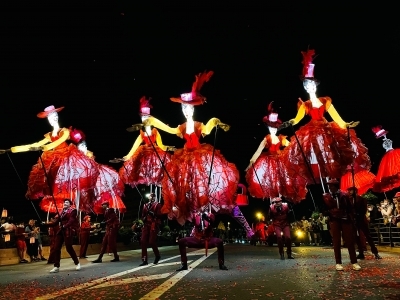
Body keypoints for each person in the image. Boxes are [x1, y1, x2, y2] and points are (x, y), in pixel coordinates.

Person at [143, 71, 238, 225]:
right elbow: (171, 130)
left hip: (199, 156)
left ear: (193, 110)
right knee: (184, 186)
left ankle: (204, 214)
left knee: (204, 183)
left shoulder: (198, 125)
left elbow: (208, 127)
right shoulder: (182, 126)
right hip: (185, 158)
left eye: (189, 108)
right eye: (184, 109)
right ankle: (191, 214)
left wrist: (216, 122)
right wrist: (153, 121)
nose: (186, 111)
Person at [279, 49, 370, 184]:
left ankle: (334, 179)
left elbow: (336, 117)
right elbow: (297, 119)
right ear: (305, 88)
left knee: (333, 150)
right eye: (307, 86)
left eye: (312, 84)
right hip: (312, 131)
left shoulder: (324, 101)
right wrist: (288, 123)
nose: (310, 87)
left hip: (327, 128)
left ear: (315, 85)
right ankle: (326, 181)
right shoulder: (305, 105)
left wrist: (346, 124)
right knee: (316, 153)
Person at [8, 105, 99, 209]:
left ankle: (78, 206)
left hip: (67, 156)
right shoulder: (50, 134)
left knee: (73, 180)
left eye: (55, 115)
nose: (54, 118)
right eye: (51, 117)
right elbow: (35, 144)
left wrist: (44, 147)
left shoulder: (64, 131)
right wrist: (12, 149)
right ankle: (66, 205)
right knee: (48, 176)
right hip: (55, 158)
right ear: (48, 120)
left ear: (58, 117)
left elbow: (59, 141)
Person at [245, 101, 307, 203]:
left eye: (274, 128)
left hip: (280, 160)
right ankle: (273, 200)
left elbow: (291, 145)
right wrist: (252, 161)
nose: (273, 130)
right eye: (271, 128)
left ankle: (280, 199)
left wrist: (299, 148)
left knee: (283, 179)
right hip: (268, 161)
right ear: (268, 128)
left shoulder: (281, 138)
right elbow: (259, 150)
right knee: (270, 179)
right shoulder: (267, 139)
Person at [68, 127, 126, 214]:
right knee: (78, 196)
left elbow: (93, 165)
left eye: (85, 146)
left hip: (92, 176)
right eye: (82, 146)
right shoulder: (76, 157)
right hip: (81, 178)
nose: (84, 148)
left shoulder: (88, 154)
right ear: (78, 147)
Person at [120, 96, 174, 187]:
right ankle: (150, 194)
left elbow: (161, 145)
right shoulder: (142, 134)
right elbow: (135, 146)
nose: (144, 119)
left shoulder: (155, 131)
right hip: (144, 153)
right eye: (143, 117)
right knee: (144, 171)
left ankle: (156, 191)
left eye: (146, 117)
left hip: (155, 153)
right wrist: (127, 156)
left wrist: (167, 148)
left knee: (158, 171)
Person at [323, 179, 360, 271]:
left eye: (331, 186)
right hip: (334, 220)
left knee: (349, 241)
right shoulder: (326, 196)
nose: (329, 188)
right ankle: (338, 263)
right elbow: (323, 209)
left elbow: (350, 208)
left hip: (345, 219)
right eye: (329, 186)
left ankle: (354, 262)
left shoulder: (345, 195)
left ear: (336, 186)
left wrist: (351, 218)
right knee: (336, 241)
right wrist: (327, 212)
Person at [44, 199, 80, 273]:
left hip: (68, 230)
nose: (65, 203)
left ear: (70, 204)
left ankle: (77, 263)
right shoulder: (61, 212)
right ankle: (56, 266)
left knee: (69, 248)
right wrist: (45, 224)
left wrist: (65, 226)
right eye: (64, 202)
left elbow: (71, 220)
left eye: (67, 202)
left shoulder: (73, 211)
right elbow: (55, 223)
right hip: (61, 230)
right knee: (56, 248)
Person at [347, 187, 381, 259]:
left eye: (351, 190)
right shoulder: (349, 200)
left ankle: (375, 252)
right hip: (354, 220)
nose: (349, 192)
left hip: (361, 219)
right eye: (349, 190)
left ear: (355, 191)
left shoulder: (361, 199)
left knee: (368, 236)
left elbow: (364, 210)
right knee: (357, 237)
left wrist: (357, 214)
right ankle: (361, 252)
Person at [135, 193, 162, 266]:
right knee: (143, 241)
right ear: (149, 197)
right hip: (146, 225)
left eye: (153, 196)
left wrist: (153, 214)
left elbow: (160, 214)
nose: (152, 197)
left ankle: (157, 255)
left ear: (155, 197)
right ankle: (144, 260)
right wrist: (143, 218)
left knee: (151, 241)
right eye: (151, 196)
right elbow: (142, 215)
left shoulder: (157, 205)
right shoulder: (145, 205)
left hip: (153, 224)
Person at [371, 126, 400, 192]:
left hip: (392, 153)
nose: (384, 136)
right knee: (391, 168)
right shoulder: (385, 145)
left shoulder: (393, 147)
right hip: (389, 155)